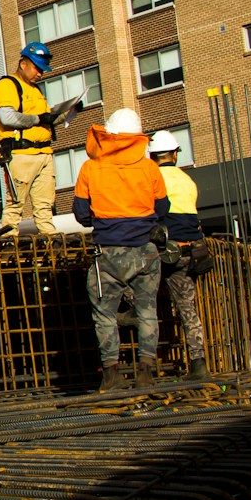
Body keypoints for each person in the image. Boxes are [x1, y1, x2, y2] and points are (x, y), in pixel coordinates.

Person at [73, 108, 169, 391]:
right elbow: (163, 208)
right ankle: (147, 372)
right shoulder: (150, 167)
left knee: (104, 314)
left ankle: (111, 375)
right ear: (139, 138)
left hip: (109, 253)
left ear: (108, 136)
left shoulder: (90, 168)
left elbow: (80, 213)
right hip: (146, 251)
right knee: (147, 310)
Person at [148, 131, 211, 381]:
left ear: (152, 157)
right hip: (190, 251)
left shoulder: (151, 178)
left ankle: (146, 366)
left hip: (163, 251)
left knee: (141, 299)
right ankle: (198, 364)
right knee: (188, 309)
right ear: (175, 154)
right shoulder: (188, 181)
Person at [0, 41, 62, 233]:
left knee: (45, 207)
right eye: (37, 68)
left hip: (43, 153)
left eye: (42, 70)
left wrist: (65, 113)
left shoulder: (35, 89)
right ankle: (7, 248)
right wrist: (38, 118)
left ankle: (52, 243)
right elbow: (7, 117)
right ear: (23, 63)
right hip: (22, 153)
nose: (40, 73)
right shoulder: (8, 85)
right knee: (15, 205)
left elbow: (44, 119)